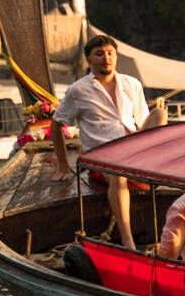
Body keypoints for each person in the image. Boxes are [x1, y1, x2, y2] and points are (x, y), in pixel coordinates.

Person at [51, 32, 156, 244]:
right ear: (89, 59)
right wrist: (63, 164)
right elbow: (56, 124)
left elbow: (144, 121)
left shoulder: (132, 84)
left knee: (160, 114)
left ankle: (156, 163)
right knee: (117, 174)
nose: (106, 57)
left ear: (116, 57)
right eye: (99, 54)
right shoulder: (78, 90)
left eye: (110, 53)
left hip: (134, 149)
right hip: (102, 157)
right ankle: (129, 241)